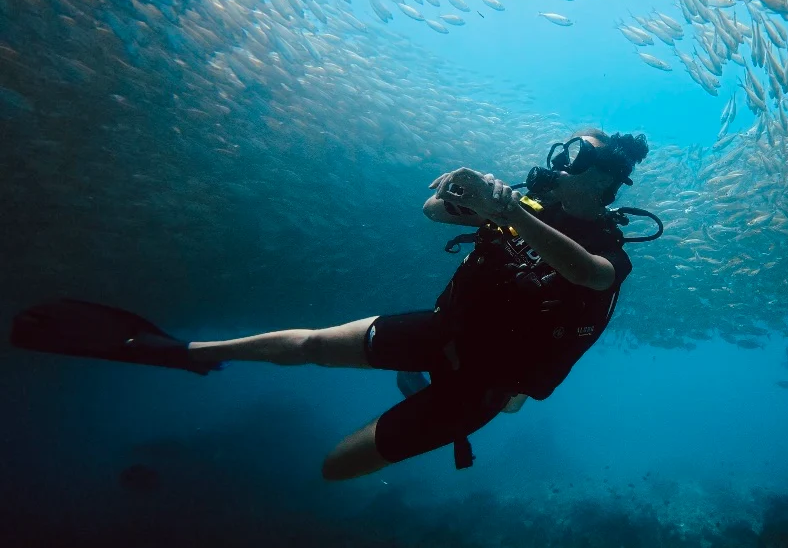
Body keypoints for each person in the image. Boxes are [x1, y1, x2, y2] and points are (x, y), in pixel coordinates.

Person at [9, 128, 650, 481]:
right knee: (315, 343)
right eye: (563, 156)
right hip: (439, 330)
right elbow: (430, 211)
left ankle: (453, 399)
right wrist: (463, 196)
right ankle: (186, 353)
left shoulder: (609, 245)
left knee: (334, 469)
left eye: (575, 162)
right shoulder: (526, 203)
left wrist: (507, 210)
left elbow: (589, 277)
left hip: (486, 384)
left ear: (601, 181)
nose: (557, 167)